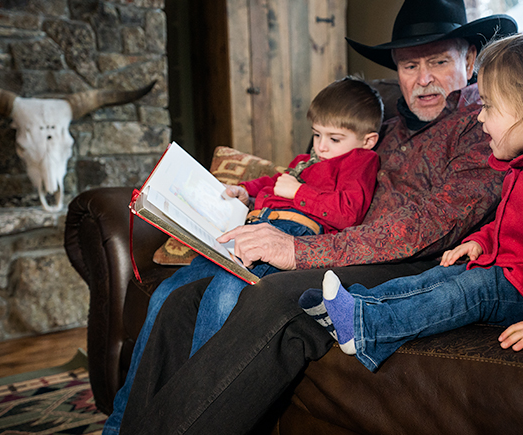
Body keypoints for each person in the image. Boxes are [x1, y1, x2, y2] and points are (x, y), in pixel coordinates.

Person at [118, 0, 518, 435]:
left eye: (439, 62)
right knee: (179, 299)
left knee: (267, 297)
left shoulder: (484, 127)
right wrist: (253, 198)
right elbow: (309, 172)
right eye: (410, 65)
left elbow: (430, 226)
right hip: (332, 243)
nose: (423, 79)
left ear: (469, 61)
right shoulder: (377, 126)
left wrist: (300, 252)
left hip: (407, 262)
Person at [303, 27, 523, 373]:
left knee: (474, 289)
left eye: (488, 106)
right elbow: (514, 223)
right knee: (444, 275)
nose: (480, 116)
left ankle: (368, 328)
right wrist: (480, 240)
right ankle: (358, 305)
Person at [102, 76, 382, 433]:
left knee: (221, 298)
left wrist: (298, 193)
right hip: (247, 226)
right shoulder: (306, 160)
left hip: (287, 234)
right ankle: (119, 422)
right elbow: (270, 184)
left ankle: (185, 410)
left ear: (368, 140)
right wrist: (243, 192)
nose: (321, 147)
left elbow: (349, 211)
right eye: (317, 134)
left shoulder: (361, 160)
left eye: (334, 139)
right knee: (165, 293)